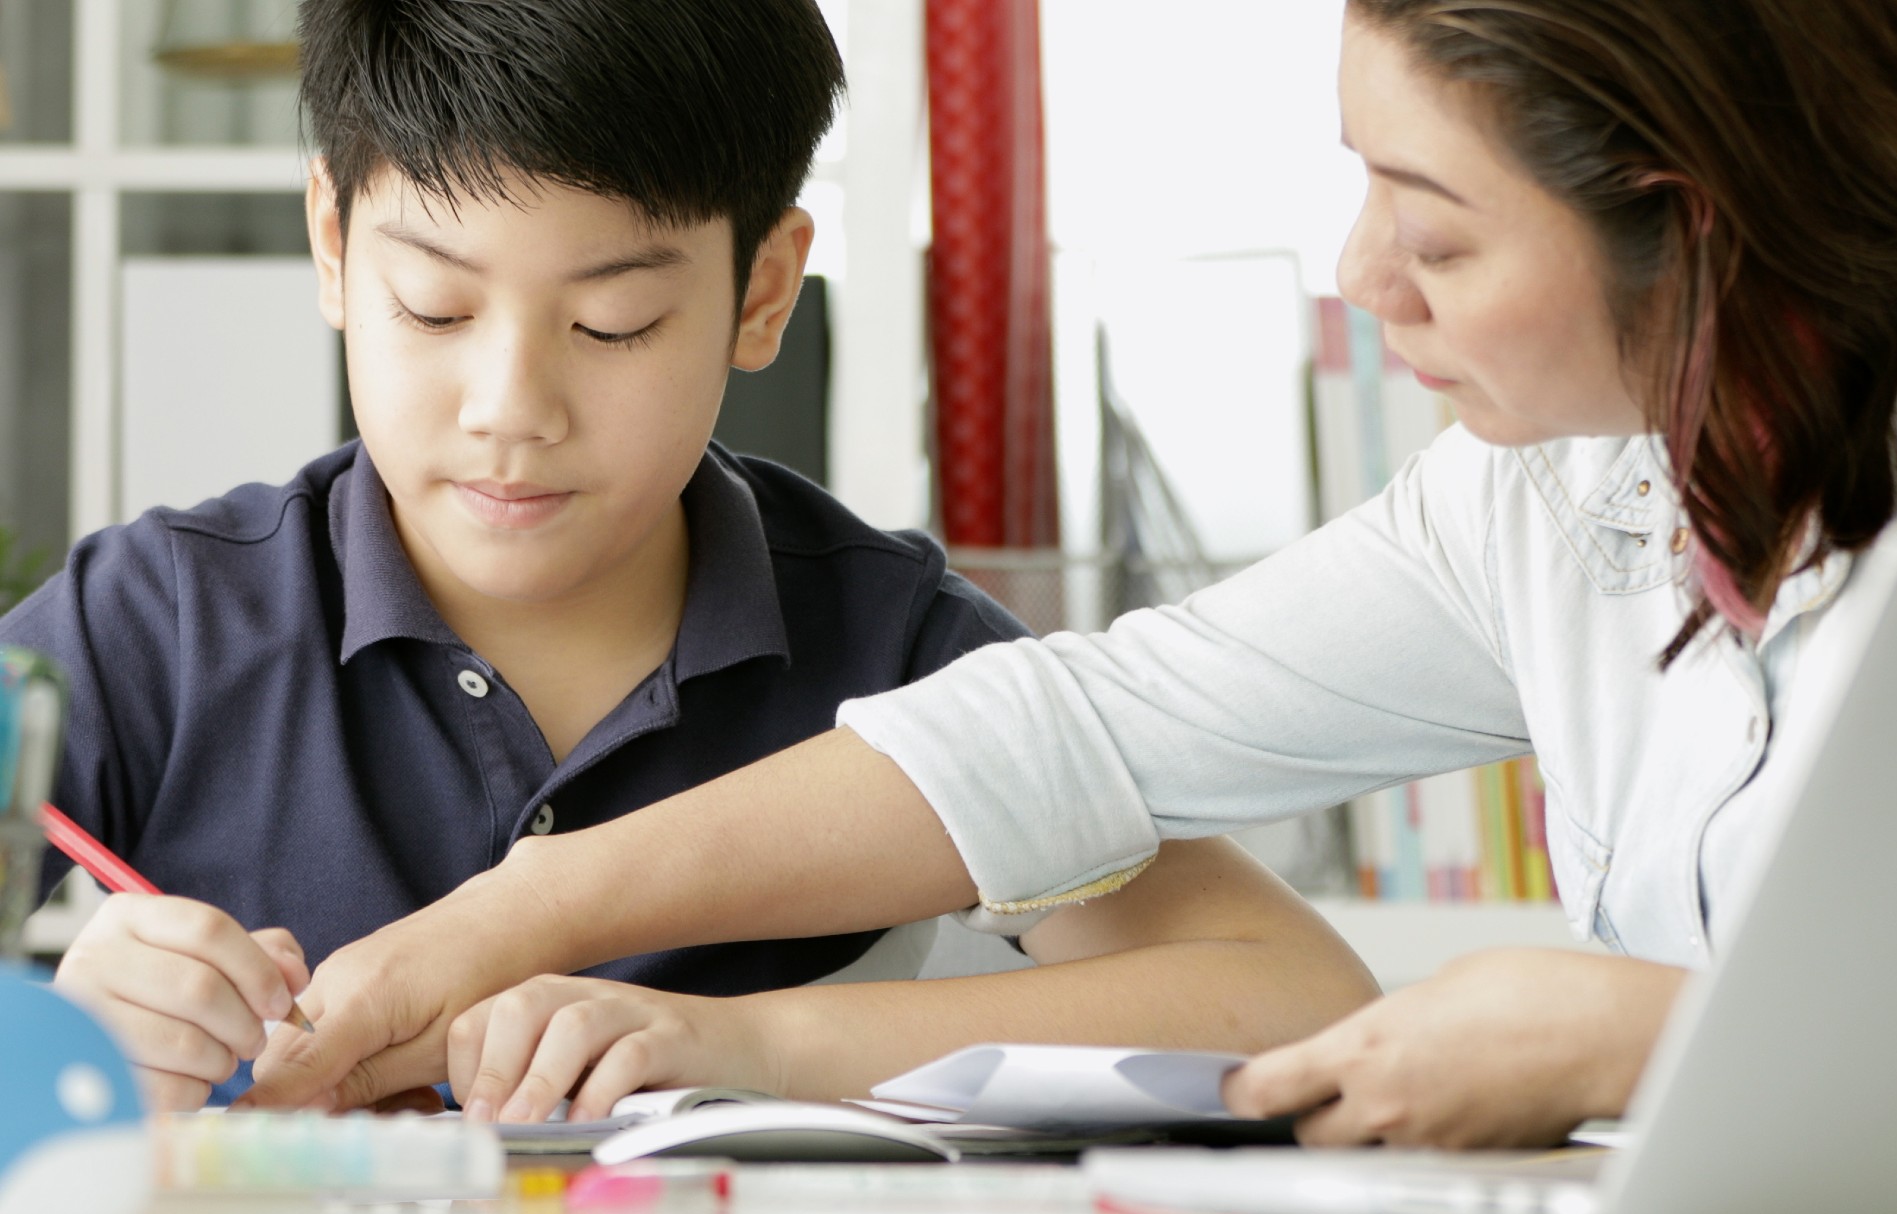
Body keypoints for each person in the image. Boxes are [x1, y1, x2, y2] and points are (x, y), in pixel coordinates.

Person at [246, 0, 1897, 1141]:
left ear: (1693, 225)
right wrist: (504, 924)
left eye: (1437, 227)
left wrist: (1644, 1042)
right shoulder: (1541, 493)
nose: (1364, 274)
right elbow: (1084, 734)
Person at [1, 0, 1378, 1114]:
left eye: (610, 327)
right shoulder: (157, 623)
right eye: (431, 306)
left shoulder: (891, 648)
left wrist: (753, 1044)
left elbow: (1293, 998)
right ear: (331, 240)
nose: (509, 408)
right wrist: (64, 1039)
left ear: (762, 290)